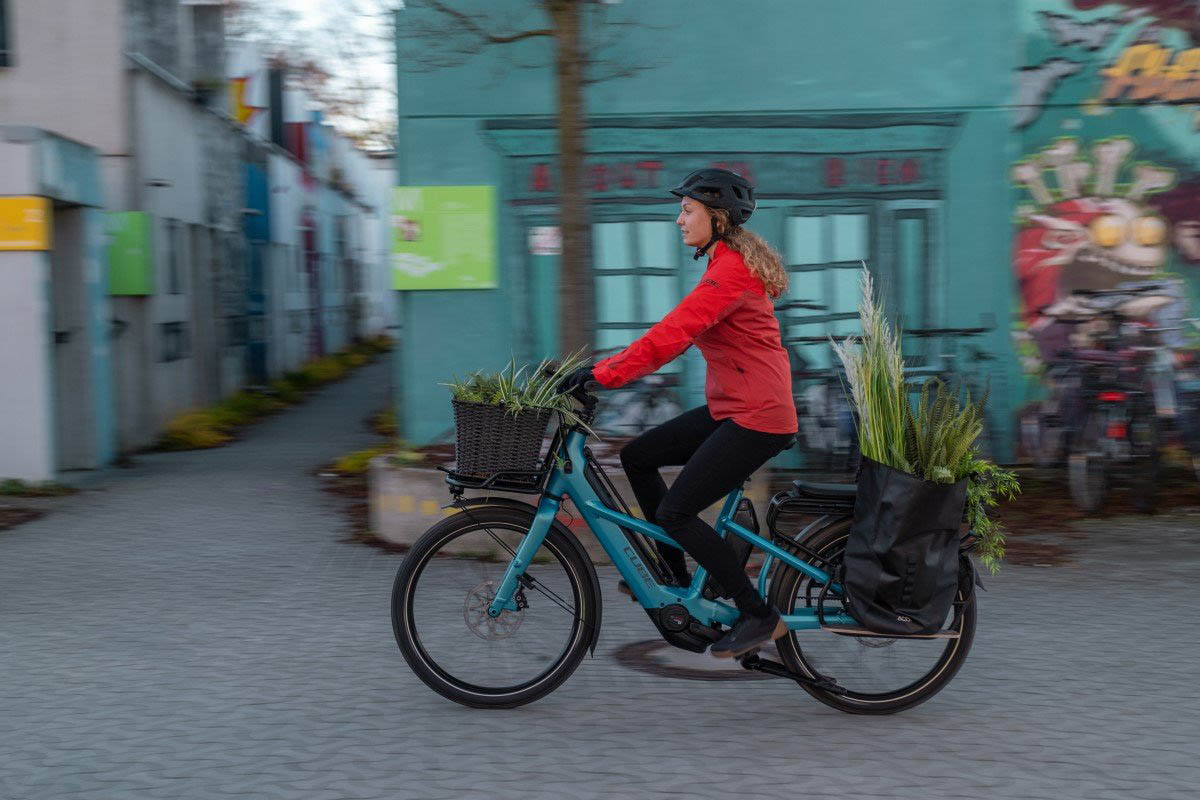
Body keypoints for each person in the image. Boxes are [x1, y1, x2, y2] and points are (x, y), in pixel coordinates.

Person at [559, 168, 798, 659]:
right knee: (640, 457)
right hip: (733, 407)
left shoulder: (731, 272)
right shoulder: (722, 264)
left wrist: (603, 375)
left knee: (676, 511)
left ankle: (758, 614)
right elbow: (671, 331)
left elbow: (672, 335)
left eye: (687, 210)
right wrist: (597, 368)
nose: (678, 219)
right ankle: (672, 577)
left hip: (759, 415)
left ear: (718, 217)